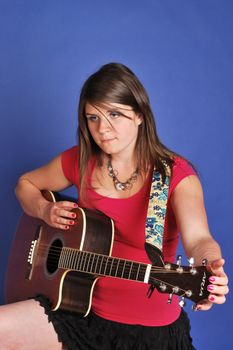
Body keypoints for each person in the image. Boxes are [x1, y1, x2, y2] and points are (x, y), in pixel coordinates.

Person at [0, 63, 229, 350]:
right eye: (92, 117)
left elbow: (199, 239)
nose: (102, 129)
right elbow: (25, 184)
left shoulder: (175, 176)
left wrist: (211, 267)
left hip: (151, 333)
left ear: (139, 115)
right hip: (79, 314)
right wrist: (43, 209)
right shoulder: (81, 161)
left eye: (114, 114)